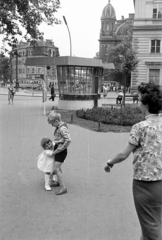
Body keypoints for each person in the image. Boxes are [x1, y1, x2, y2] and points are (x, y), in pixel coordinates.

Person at [104, 82, 162, 240]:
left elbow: (123, 154)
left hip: (144, 184)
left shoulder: (140, 127)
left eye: (140, 100)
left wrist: (110, 162)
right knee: (153, 222)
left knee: (151, 228)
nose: (138, 103)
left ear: (147, 105)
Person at [47, 112, 71, 195]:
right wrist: (57, 142)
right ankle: (58, 182)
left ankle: (63, 187)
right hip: (58, 149)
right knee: (58, 167)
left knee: (56, 169)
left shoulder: (62, 128)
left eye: (52, 123)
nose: (52, 125)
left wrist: (60, 148)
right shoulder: (60, 126)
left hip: (61, 151)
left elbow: (68, 140)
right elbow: (63, 139)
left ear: (56, 121)